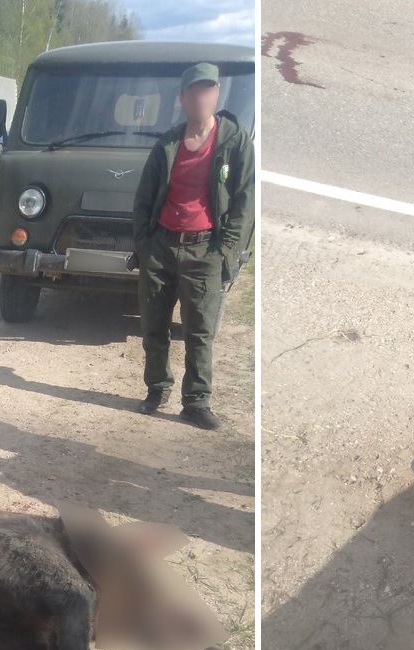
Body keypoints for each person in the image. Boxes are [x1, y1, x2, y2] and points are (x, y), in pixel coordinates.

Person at [131, 62, 256, 431]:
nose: (201, 98)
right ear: (182, 98)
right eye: (194, 92)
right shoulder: (167, 145)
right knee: (153, 325)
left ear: (217, 94)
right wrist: (145, 245)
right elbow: (142, 202)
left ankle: (196, 402)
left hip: (206, 251)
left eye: (208, 90)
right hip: (162, 246)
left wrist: (226, 252)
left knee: (200, 332)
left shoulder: (234, 142)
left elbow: (244, 203)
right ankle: (157, 389)